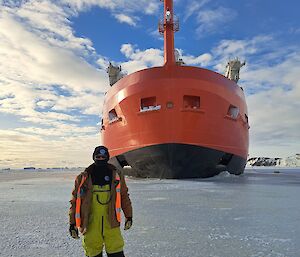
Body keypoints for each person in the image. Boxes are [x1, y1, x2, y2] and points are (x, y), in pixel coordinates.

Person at [69, 146, 133, 257]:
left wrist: (129, 216)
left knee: (116, 251)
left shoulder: (116, 175)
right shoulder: (83, 178)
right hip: (90, 225)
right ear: (93, 157)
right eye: (98, 156)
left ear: (107, 157)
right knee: (92, 252)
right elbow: (75, 201)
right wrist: (72, 223)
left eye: (103, 156)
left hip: (111, 223)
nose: (101, 158)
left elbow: (123, 196)